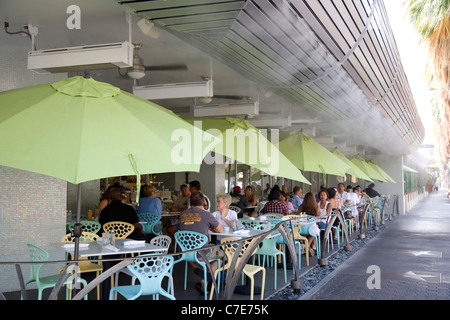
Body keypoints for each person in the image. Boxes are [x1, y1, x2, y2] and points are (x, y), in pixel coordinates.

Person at [178, 192, 223, 295]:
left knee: (197, 256)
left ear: (189, 202)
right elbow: (220, 229)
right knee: (221, 255)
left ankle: (203, 273)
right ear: (203, 203)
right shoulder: (207, 214)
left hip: (185, 252)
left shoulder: (182, 214)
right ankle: (205, 277)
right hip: (201, 254)